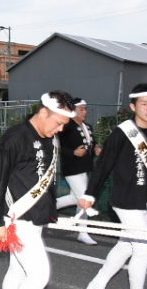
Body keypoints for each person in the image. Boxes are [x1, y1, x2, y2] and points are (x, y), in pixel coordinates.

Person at [79, 83, 147, 289]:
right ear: (133, 107)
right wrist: (89, 195)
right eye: (144, 104)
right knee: (144, 250)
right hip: (125, 200)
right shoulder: (122, 133)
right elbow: (103, 166)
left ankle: (96, 284)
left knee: (126, 246)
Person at [0, 91, 75, 289]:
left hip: (36, 217)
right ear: (44, 112)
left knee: (17, 270)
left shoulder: (51, 137)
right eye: (58, 123)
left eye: (64, 125)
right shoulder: (15, 138)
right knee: (39, 275)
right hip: (18, 219)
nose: (61, 129)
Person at [56, 97, 101, 245]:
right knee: (84, 199)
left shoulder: (88, 127)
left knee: (75, 199)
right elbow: (57, 146)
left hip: (85, 168)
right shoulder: (66, 127)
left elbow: (91, 146)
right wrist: (73, 153)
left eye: (85, 108)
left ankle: (44, 208)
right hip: (72, 168)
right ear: (73, 110)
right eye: (81, 109)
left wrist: (96, 149)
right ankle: (82, 232)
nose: (85, 111)